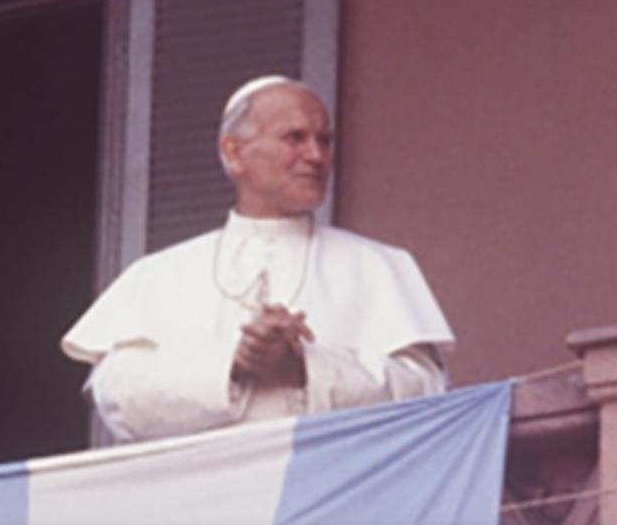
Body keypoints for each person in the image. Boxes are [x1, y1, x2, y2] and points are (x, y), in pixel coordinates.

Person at [61, 75, 454, 443]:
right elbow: (116, 394)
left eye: (325, 139)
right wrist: (234, 364)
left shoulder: (376, 265)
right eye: (295, 138)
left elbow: (426, 391)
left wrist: (306, 370)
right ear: (234, 152)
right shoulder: (160, 274)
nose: (316, 155)